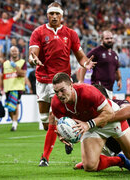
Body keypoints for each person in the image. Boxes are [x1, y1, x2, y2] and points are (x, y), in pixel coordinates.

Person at [51, 72, 130, 173]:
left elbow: (109, 114)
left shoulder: (88, 92)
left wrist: (88, 124)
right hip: (91, 124)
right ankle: (120, 160)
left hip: (110, 120)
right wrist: (63, 135)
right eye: (57, 92)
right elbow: (60, 123)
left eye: (62, 90)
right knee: (89, 166)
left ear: (71, 85)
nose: (60, 95)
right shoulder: (56, 103)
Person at [28, 2, 96, 166]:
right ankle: (66, 137)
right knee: (45, 122)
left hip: (61, 82)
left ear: (62, 16)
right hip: (42, 80)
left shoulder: (70, 33)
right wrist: (33, 60)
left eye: (57, 14)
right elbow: (33, 54)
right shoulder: (38, 32)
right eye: (51, 13)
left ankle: (44, 158)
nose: (54, 16)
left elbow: (79, 55)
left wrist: (84, 63)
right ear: (47, 15)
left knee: (53, 117)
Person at [78, 30, 122, 99]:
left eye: (111, 38)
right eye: (107, 38)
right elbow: (84, 64)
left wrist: (119, 80)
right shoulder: (96, 51)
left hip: (110, 89)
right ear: (101, 40)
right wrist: (81, 80)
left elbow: (116, 69)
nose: (109, 40)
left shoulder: (114, 54)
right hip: (99, 88)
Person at [0, 46, 27, 131]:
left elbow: (23, 74)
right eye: (12, 51)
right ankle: (14, 121)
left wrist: (16, 67)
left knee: (15, 106)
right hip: (8, 88)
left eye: (15, 51)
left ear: (18, 52)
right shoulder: (5, 63)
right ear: (10, 53)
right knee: (10, 107)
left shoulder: (22, 62)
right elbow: (1, 77)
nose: (14, 52)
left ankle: (14, 124)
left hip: (18, 88)